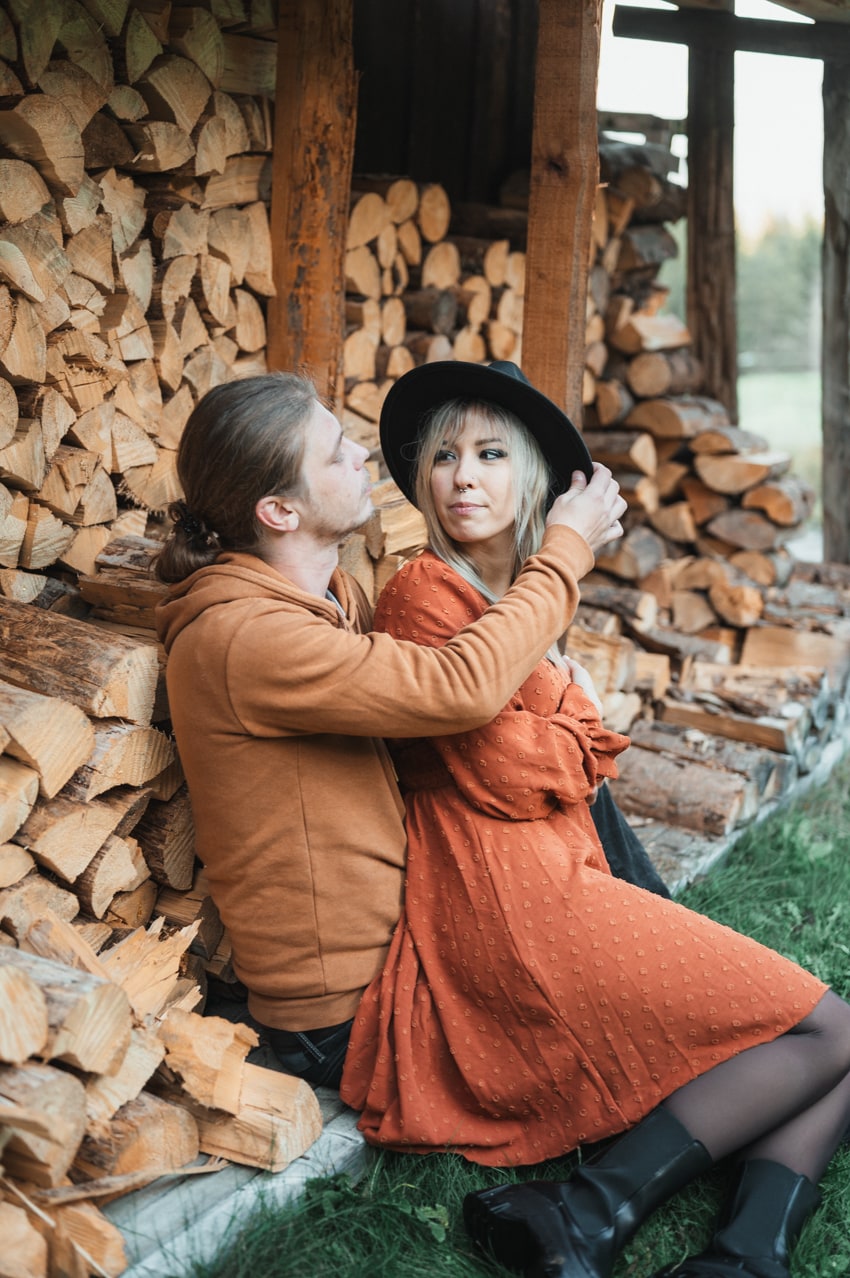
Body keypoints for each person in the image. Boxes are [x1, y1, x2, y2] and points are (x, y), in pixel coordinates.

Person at [337, 359, 850, 1278]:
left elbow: (559, 757)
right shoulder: (424, 593)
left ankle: (741, 1255)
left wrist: (567, 724)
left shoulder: (522, 597)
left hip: (555, 876)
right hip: (505, 902)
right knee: (830, 1034)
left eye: (492, 453)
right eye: (445, 455)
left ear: (532, 475)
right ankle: (588, 1206)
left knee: (827, 1039)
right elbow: (508, 770)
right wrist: (575, 720)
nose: (463, 476)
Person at [153, 370, 627, 1092]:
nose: (365, 458)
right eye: (337, 451)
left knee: (628, 1019)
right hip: (346, 1016)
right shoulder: (246, 637)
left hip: (409, 950)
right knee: (617, 1062)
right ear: (280, 510)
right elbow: (461, 688)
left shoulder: (326, 600)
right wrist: (565, 550)